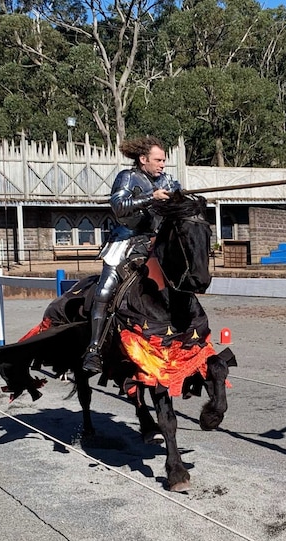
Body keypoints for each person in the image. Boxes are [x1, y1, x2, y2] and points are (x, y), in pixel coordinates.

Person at [82, 136, 180, 374]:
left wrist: (179, 196)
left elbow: (178, 199)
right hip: (126, 240)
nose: (162, 165)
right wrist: (151, 197)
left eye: (164, 160)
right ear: (143, 159)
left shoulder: (167, 179)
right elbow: (118, 207)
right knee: (105, 289)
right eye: (158, 160)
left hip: (155, 241)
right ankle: (94, 348)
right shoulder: (127, 177)